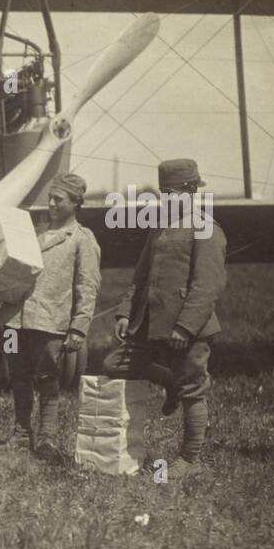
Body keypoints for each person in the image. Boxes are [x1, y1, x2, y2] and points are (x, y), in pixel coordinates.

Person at [103, 158, 226, 480]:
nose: (167, 199)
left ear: (192, 191)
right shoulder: (159, 227)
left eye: (174, 193)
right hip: (150, 322)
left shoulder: (206, 229)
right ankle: (170, 382)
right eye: (164, 193)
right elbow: (140, 276)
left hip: (189, 328)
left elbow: (207, 286)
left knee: (192, 390)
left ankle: (190, 460)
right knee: (114, 364)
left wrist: (185, 327)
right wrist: (125, 312)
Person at [0, 173, 101, 461]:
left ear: (76, 203)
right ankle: (21, 434)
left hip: (50, 323)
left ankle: (47, 439)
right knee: (17, 375)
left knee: (47, 378)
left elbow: (88, 286)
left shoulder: (82, 239)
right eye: (50, 198)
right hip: (13, 323)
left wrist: (79, 327)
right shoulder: (34, 234)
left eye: (59, 199)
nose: (51, 204)